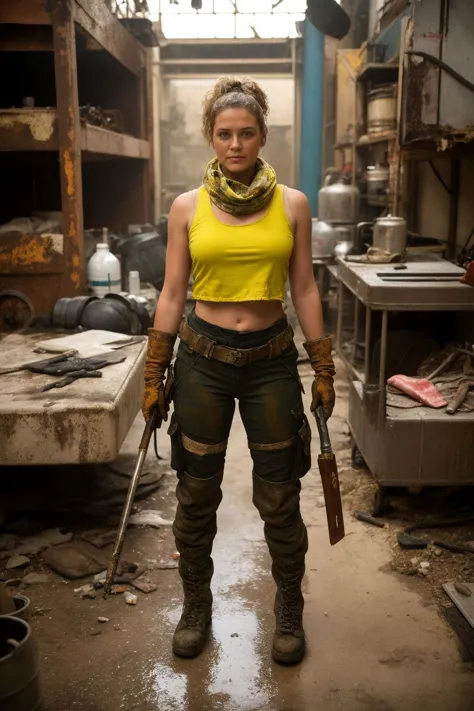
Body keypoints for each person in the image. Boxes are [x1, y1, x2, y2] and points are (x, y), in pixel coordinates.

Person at [142, 77, 335, 666]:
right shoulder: (187, 207)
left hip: (271, 362)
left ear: (262, 135)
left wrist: (322, 361)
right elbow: (174, 291)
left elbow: (302, 286)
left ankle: (289, 611)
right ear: (210, 137)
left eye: (245, 133)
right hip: (202, 362)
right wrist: (156, 368)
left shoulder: (293, 203)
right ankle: (196, 605)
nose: (235, 144)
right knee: (196, 494)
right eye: (224, 134)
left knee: (279, 495)